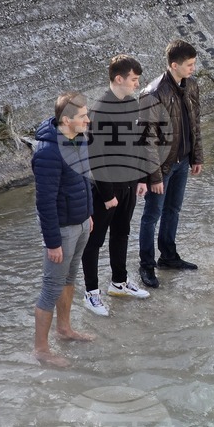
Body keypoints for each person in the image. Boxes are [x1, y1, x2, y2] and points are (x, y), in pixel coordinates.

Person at [80, 55, 154, 316]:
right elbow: (96, 156)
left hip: (129, 183)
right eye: (134, 79)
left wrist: (142, 178)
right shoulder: (100, 110)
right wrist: (108, 194)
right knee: (94, 241)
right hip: (105, 189)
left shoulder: (133, 105)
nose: (136, 84)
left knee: (121, 233)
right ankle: (91, 293)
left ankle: (119, 283)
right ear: (119, 79)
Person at [32, 92, 96, 366]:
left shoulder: (78, 138)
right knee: (51, 286)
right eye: (83, 116)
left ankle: (65, 329)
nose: (88, 120)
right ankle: (41, 349)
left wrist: (89, 214)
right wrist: (53, 242)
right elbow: (44, 202)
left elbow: (85, 179)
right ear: (67, 120)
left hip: (81, 222)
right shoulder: (48, 153)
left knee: (70, 278)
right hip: (61, 230)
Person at [137, 40, 203, 288]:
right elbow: (146, 140)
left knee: (173, 211)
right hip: (161, 168)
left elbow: (195, 123)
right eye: (189, 65)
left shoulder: (192, 85)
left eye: (194, 64)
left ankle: (168, 256)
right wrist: (153, 177)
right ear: (174, 65)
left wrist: (196, 157)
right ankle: (146, 265)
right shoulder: (153, 93)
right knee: (151, 216)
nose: (193, 69)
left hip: (183, 161)